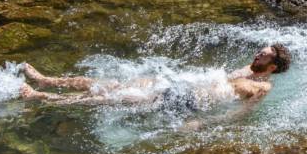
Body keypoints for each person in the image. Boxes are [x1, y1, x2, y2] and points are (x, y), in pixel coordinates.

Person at [19, 44, 292, 109]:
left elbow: (239, 115)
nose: (257, 55)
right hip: (180, 84)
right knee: (107, 84)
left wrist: (203, 127)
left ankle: (43, 98)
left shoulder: (263, 87)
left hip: (187, 102)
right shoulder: (249, 68)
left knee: (111, 98)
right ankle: (47, 80)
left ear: (273, 67)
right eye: (259, 52)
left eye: (264, 56)